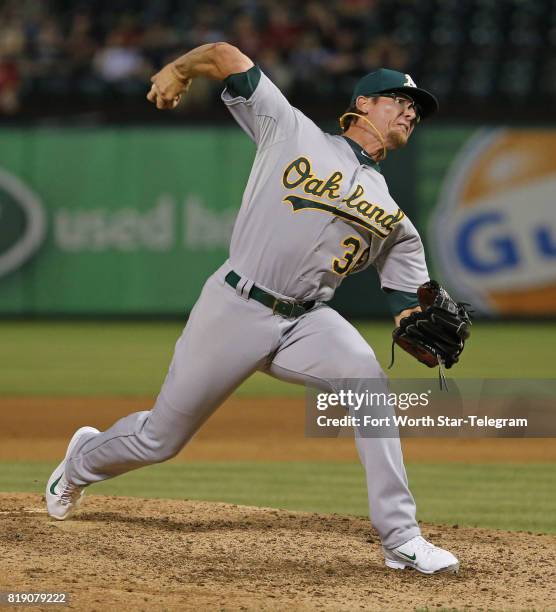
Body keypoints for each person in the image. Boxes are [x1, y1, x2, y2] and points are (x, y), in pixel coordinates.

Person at [46, 42, 459, 575]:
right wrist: (176, 70)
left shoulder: (396, 220)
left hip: (308, 320)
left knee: (368, 382)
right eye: (398, 100)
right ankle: (80, 462)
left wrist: (417, 325)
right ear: (361, 105)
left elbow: (410, 302)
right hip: (237, 305)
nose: (410, 111)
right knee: (160, 439)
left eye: (416, 109)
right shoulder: (293, 131)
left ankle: (401, 538)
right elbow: (223, 54)